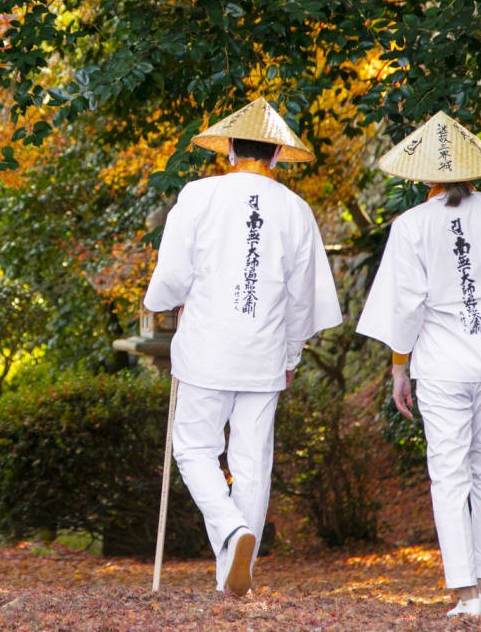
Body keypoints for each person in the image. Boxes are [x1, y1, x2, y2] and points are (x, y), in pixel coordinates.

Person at [355, 110, 481, 617]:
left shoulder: (411, 226)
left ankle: (465, 590)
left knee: (449, 473)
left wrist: (398, 367)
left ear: (424, 174)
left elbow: (405, 306)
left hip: (442, 363)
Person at [143, 97, 342, 597]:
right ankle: (234, 573)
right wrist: (292, 355)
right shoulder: (297, 210)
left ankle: (233, 533)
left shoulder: (198, 195)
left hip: (207, 346)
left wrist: (165, 303)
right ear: (276, 155)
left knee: (193, 448)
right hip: (265, 352)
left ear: (229, 149)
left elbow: (170, 279)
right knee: (253, 460)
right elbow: (304, 300)